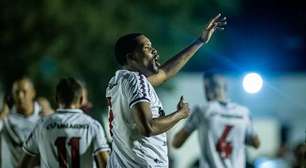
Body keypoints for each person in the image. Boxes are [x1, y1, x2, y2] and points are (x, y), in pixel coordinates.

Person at [106, 14, 227, 167]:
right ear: (131, 57)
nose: (154, 51)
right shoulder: (135, 80)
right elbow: (148, 127)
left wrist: (200, 41)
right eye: (147, 48)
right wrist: (180, 114)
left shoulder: (118, 81)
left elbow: (164, 74)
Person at [172, 72, 260, 168]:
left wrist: (179, 114)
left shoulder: (201, 111)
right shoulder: (243, 112)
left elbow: (176, 143)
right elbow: (256, 144)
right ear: (226, 88)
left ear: (205, 89)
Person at [19, 77, 110, 168]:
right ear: (81, 100)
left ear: (56, 99)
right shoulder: (93, 126)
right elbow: (105, 164)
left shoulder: (42, 125)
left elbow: (23, 164)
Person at [0, 77, 41, 168]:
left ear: (33, 93)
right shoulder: (6, 118)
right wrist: (3, 114)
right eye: (17, 92)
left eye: (24, 91)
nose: (20, 96)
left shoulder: (44, 118)